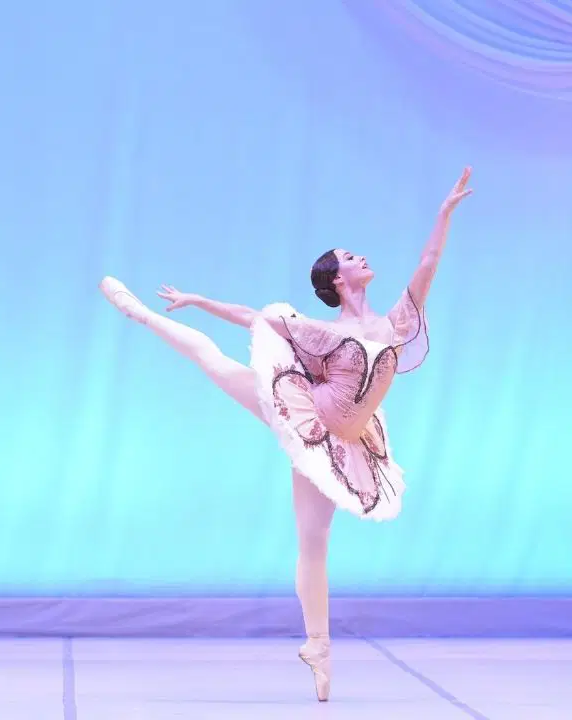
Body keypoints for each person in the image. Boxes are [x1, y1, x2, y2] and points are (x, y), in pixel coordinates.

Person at [97, 167, 472, 701]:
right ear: (337, 279)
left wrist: (444, 214)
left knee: (314, 541)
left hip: (344, 444)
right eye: (350, 256)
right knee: (215, 362)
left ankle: (318, 646)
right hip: (303, 413)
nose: (362, 257)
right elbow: (252, 317)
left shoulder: (395, 324)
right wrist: (198, 300)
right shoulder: (324, 331)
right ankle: (139, 312)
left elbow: (428, 262)